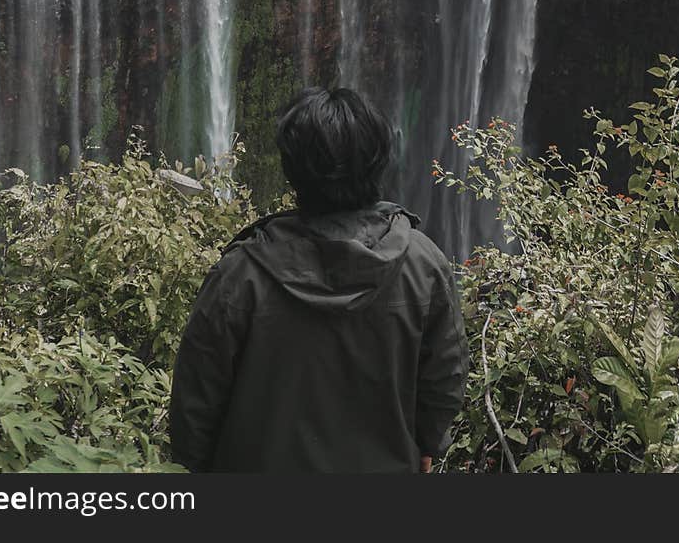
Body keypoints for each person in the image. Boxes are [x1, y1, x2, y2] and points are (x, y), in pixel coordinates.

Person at [168, 86, 468, 473]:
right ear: (379, 159)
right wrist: (429, 442)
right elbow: (445, 379)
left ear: (292, 169)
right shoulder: (425, 265)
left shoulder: (240, 275)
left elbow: (195, 403)